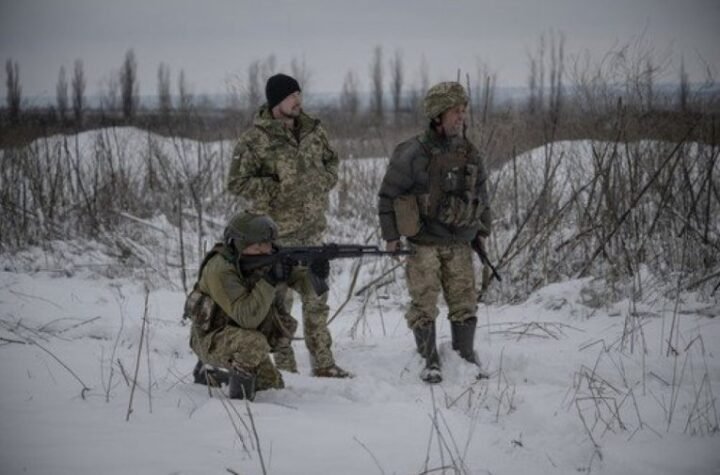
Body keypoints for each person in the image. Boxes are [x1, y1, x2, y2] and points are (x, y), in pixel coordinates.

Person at [227, 73, 350, 378]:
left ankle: (323, 363)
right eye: (291, 96)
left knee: (316, 298)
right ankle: (285, 367)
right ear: (276, 101)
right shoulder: (255, 140)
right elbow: (236, 182)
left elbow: (332, 162)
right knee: (279, 304)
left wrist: (323, 180)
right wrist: (275, 188)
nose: (298, 100)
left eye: (299, 94)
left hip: (312, 231)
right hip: (275, 236)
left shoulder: (313, 130)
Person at [377, 81, 492, 384]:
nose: (461, 117)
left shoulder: (469, 151)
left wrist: (482, 230)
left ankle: (464, 356)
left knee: (465, 300)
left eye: (463, 111)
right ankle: (429, 359)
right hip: (424, 242)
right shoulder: (411, 153)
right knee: (424, 303)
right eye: (456, 111)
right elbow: (388, 195)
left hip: (460, 241)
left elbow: (481, 192)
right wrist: (391, 236)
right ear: (438, 114)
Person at [183, 212, 299, 400]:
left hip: (239, 334)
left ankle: (212, 374)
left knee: (271, 386)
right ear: (239, 244)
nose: (265, 250)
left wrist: (314, 274)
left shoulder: (269, 256)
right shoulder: (219, 269)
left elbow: (302, 282)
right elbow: (247, 318)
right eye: (258, 245)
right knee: (253, 344)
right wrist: (269, 280)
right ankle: (240, 404)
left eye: (268, 244)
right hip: (211, 337)